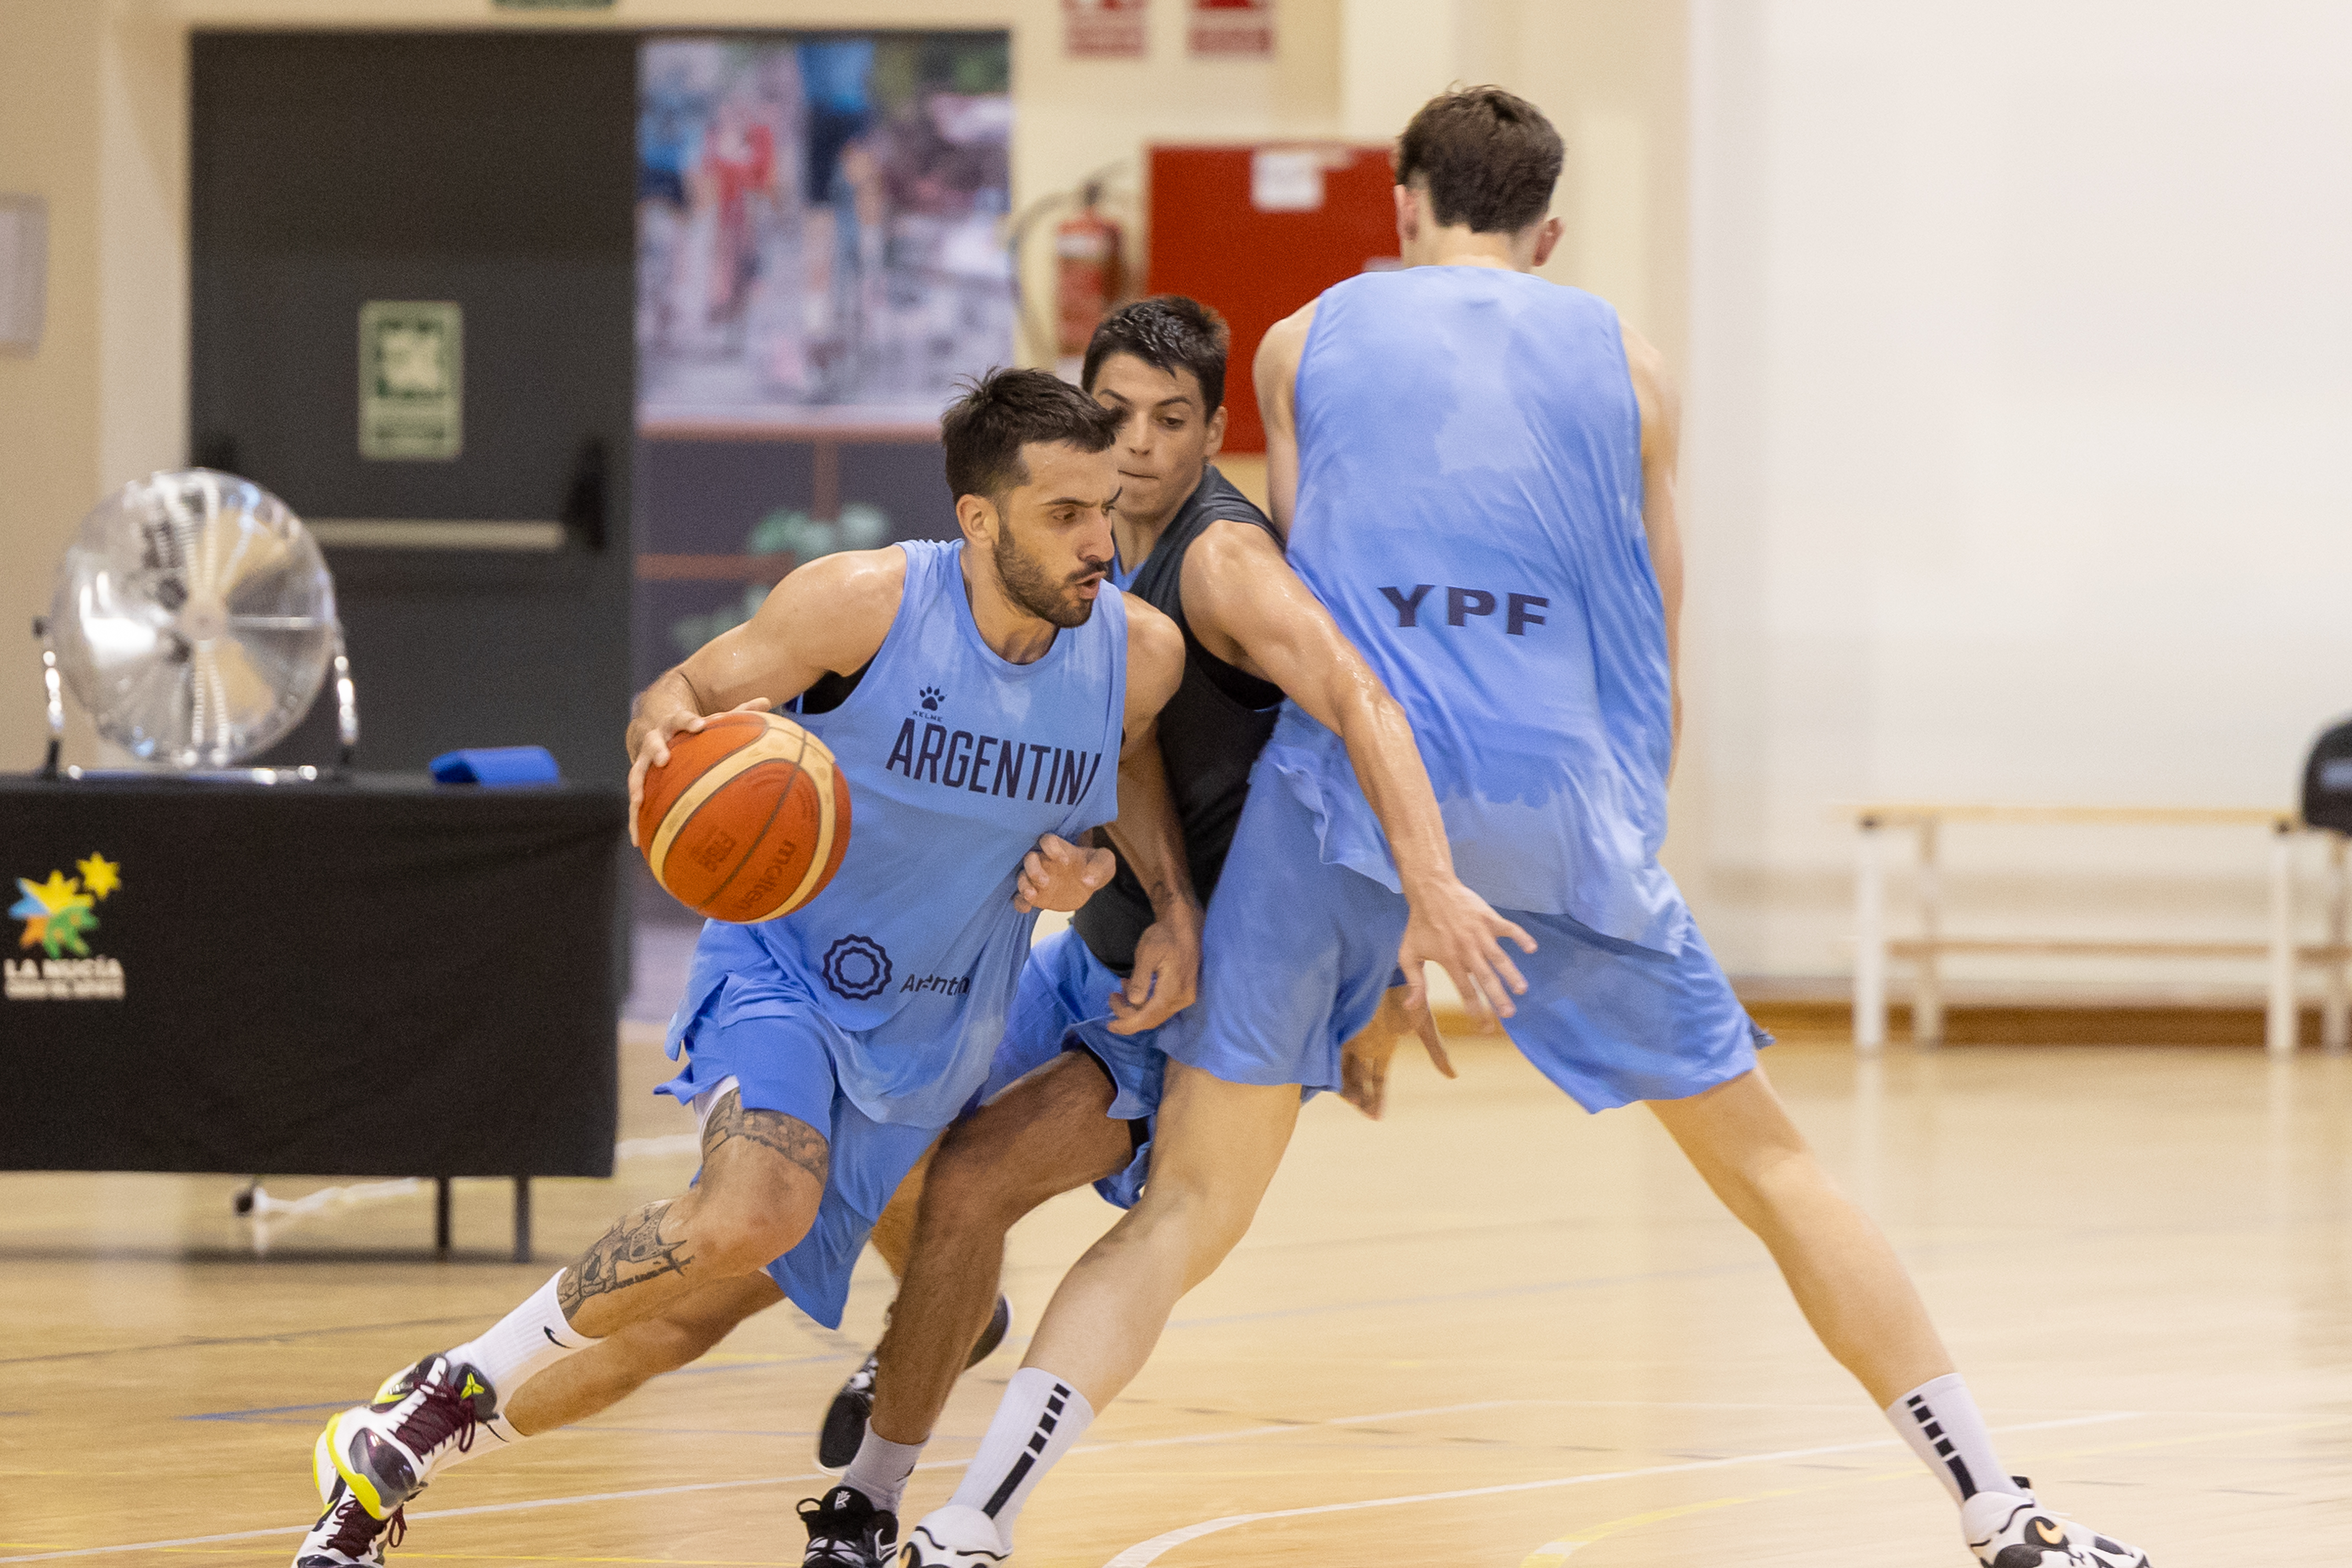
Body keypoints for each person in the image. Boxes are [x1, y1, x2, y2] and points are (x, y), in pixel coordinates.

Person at [906, 89, 2153, 1568]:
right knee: (1773, 1171)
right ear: (1547, 229)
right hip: (1560, 800)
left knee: (1182, 1209)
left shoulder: (1308, 341)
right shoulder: (1631, 362)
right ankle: (1998, 1507)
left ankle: (970, 1530)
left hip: (1348, 811)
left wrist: (1377, 934)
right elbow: (1658, 627)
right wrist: (1618, 849)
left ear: (1401, 209)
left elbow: (1328, 600)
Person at [292, 367, 1201, 1568]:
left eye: (1105, 511)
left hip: (936, 1029)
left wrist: (1129, 885)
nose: (1100, 542)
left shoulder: (1135, 655)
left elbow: (1118, 773)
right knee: (753, 1209)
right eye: (1065, 515)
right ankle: (449, 1391)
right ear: (978, 521)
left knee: (702, 1323)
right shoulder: (861, 605)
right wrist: (660, 745)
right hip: (789, 973)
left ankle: (385, 1484)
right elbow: (684, 693)